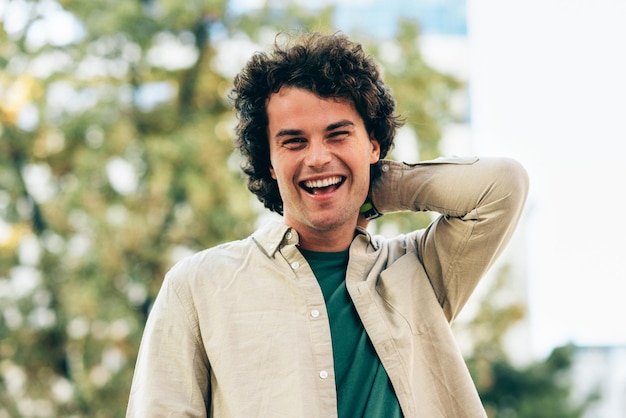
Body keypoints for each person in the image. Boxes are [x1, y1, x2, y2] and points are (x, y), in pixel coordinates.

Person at [126, 31, 529, 417]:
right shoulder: (198, 286)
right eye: (294, 142)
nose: (317, 158)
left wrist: (368, 186)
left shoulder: (419, 271)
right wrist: (347, 179)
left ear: (373, 144)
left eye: (337, 135)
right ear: (270, 161)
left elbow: (501, 187)